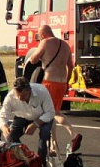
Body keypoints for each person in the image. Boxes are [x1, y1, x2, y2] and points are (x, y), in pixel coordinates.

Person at [25, 24, 82, 154]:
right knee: (55, 111)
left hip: (49, 82)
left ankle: (69, 136)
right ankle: (55, 144)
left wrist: (36, 55)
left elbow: (33, 60)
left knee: (50, 113)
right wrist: (66, 82)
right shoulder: (65, 45)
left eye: (39, 36)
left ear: (43, 35)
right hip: (62, 83)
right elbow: (71, 66)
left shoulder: (45, 42)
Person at [0, 77, 54, 160]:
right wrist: (4, 127)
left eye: (23, 95)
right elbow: (2, 115)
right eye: (18, 95)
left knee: (44, 134)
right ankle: (24, 157)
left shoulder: (42, 91)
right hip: (22, 116)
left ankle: (41, 161)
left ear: (29, 90)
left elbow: (50, 112)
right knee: (10, 137)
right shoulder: (10, 97)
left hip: (42, 117)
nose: (20, 98)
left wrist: (35, 124)